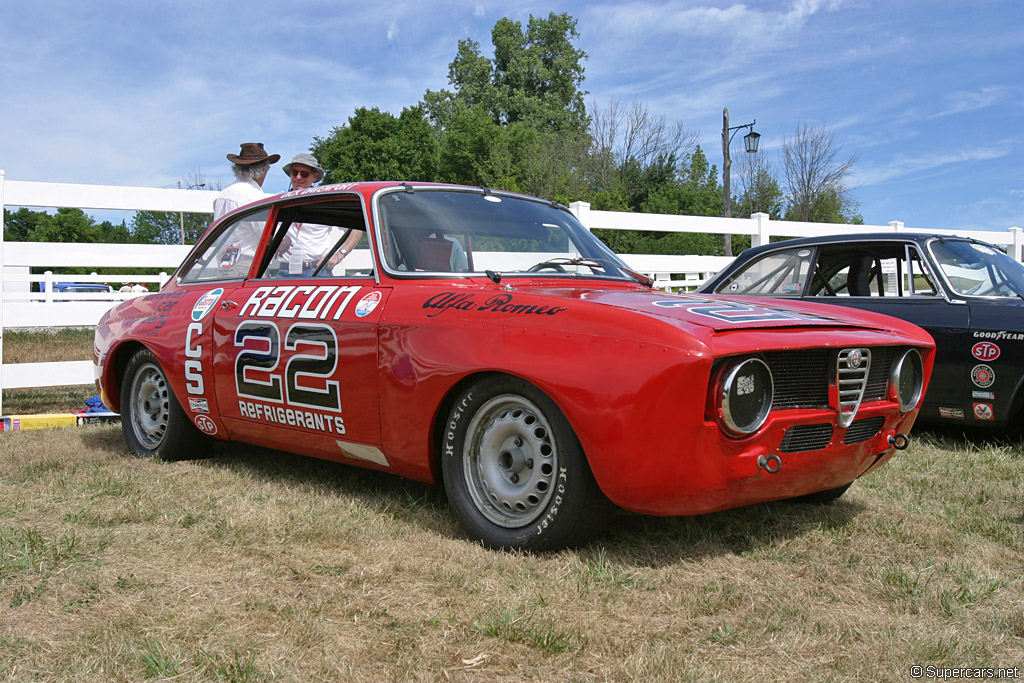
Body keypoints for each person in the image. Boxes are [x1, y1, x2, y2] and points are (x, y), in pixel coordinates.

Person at [274, 152, 361, 277]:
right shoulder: (279, 201)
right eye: (294, 172)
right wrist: (274, 243)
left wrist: (340, 254)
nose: (298, 177)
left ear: (314, 177)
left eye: (304, 173)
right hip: (285, 271)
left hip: (317, 271)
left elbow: (356, 229)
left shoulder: (324, 202)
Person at [212, 142, 280, 276]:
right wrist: (284, 241)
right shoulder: (254, 196)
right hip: (248, 266)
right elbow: (266, 236)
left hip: (224, 265)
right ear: (262, 169)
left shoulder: (223, 195)